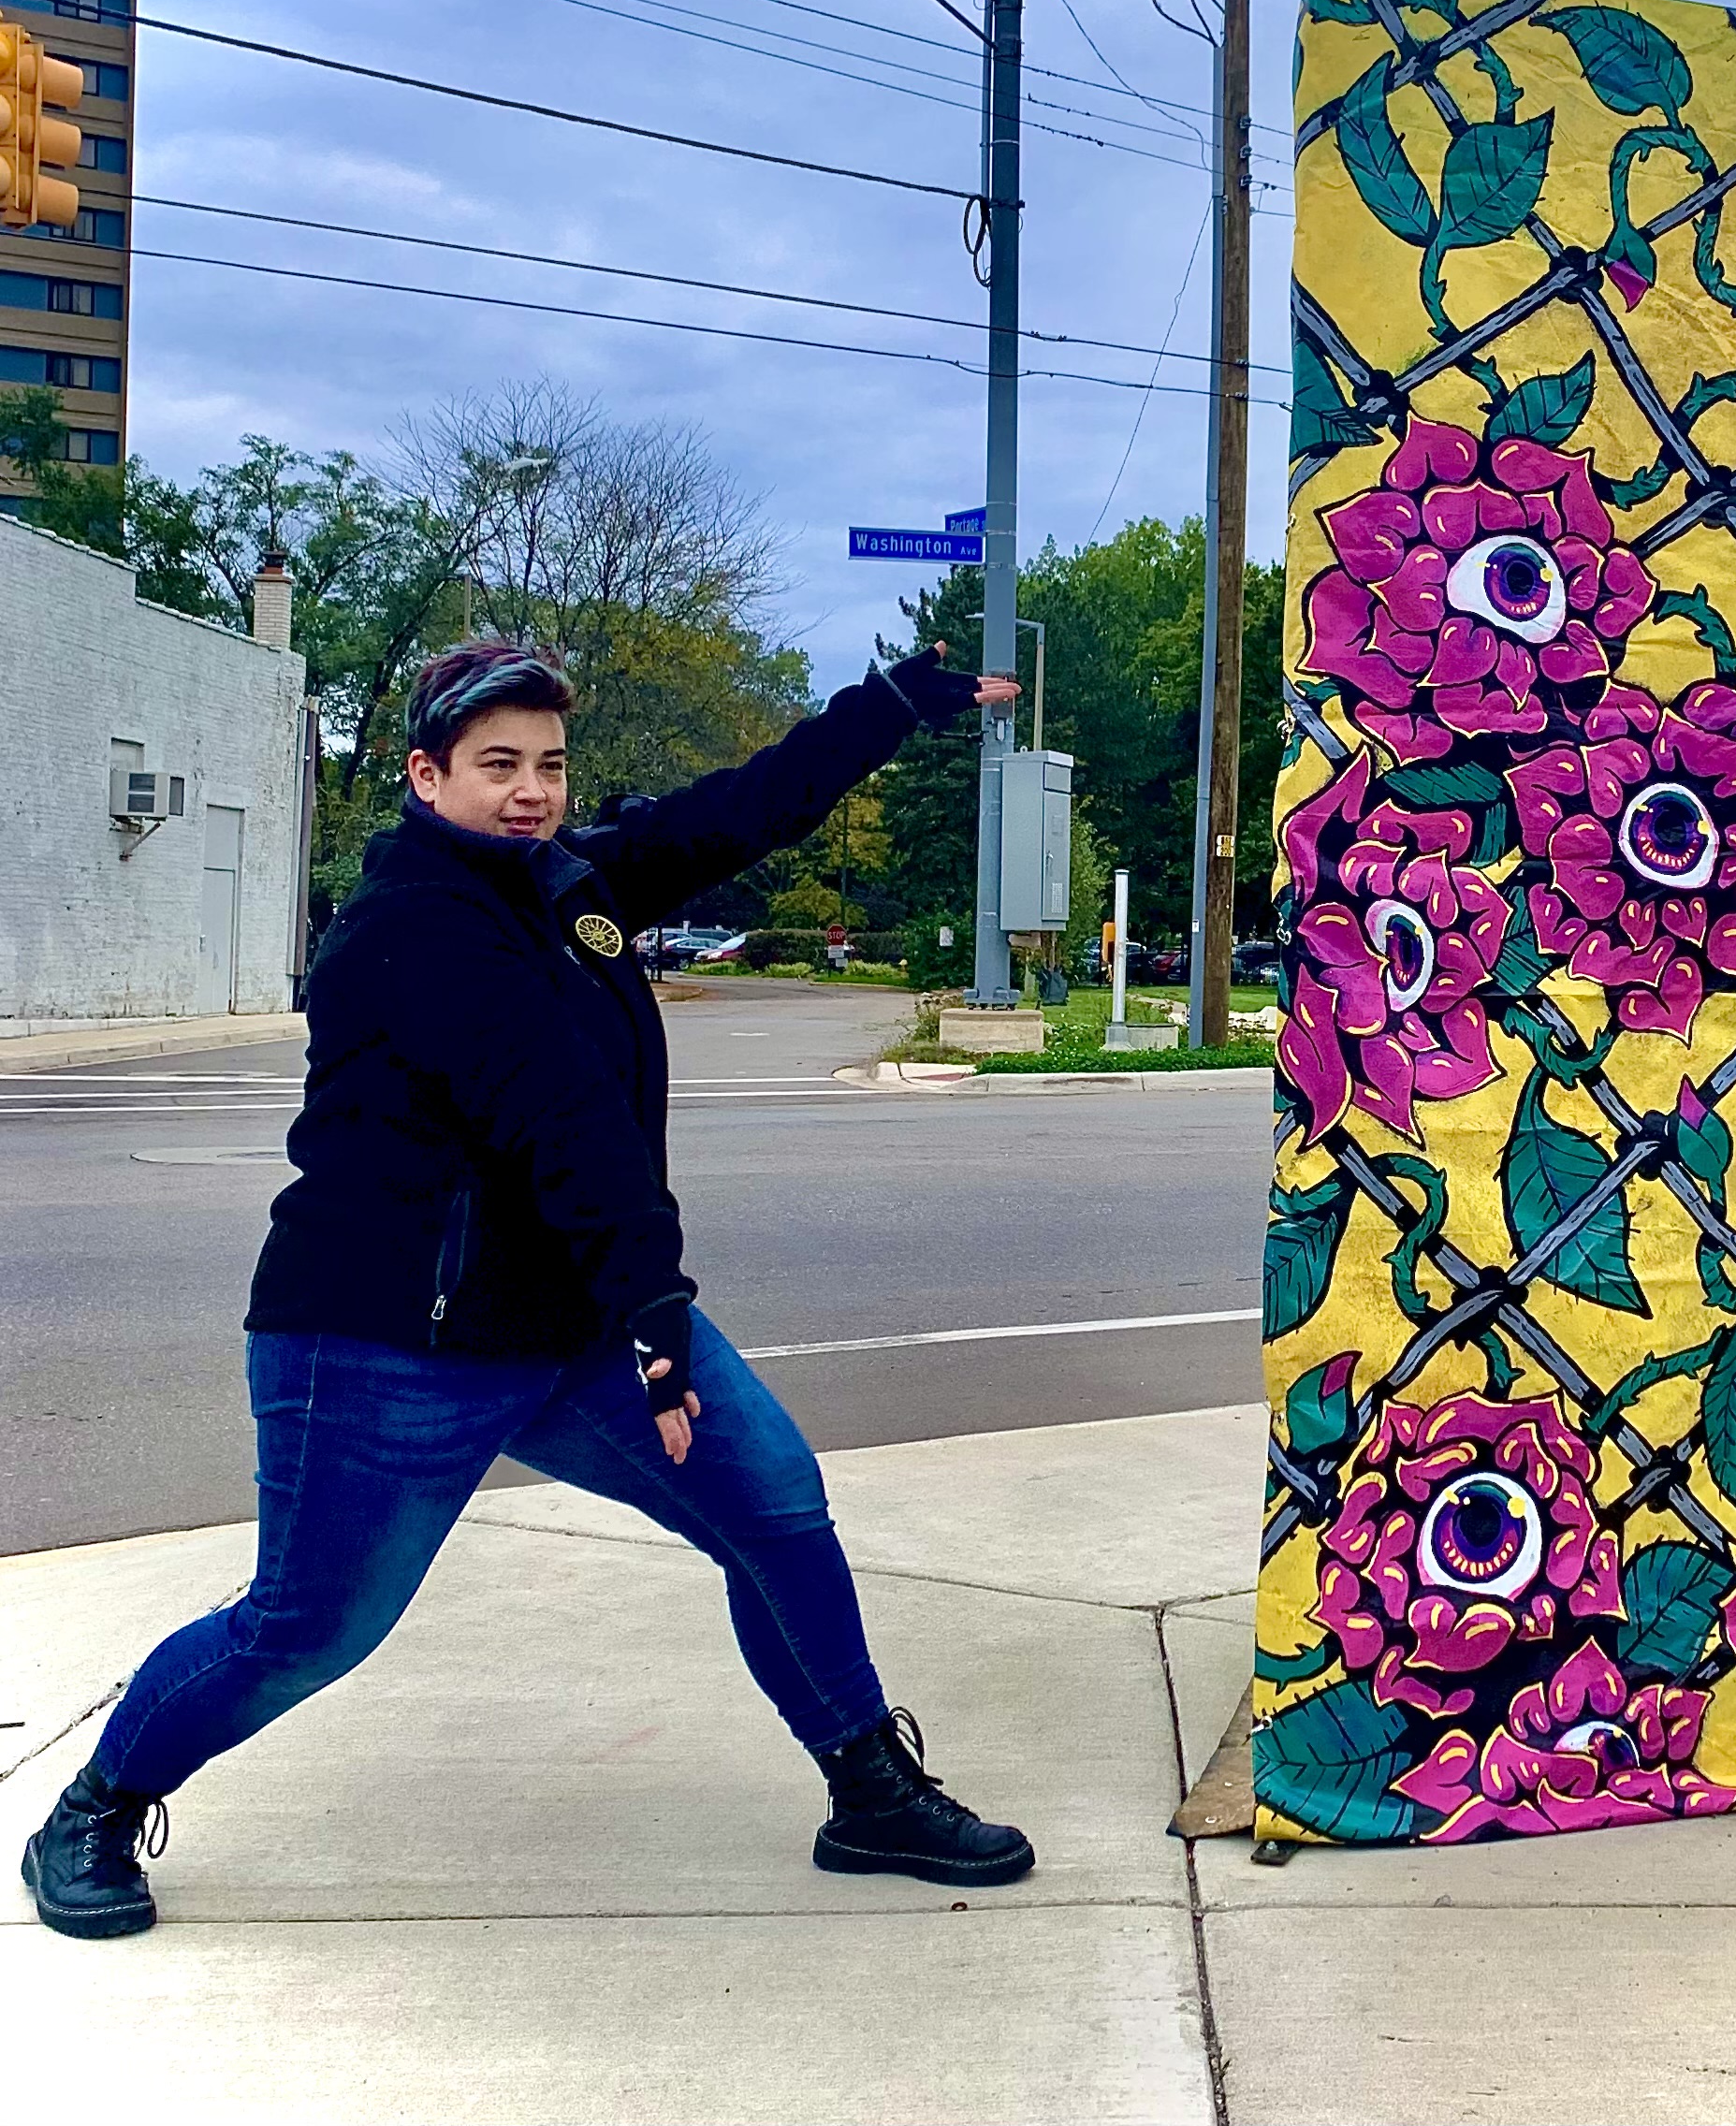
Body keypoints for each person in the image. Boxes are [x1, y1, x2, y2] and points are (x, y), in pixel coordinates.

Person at [22, 636, 1028, 1941]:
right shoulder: (409, 929)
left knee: (775, 1506)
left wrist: (883, 710)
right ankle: (92, 1809)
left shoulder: (563, 883)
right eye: (497, 764)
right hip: (390, 1345)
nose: (531, 789)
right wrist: (662, 1316)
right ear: (424, 774)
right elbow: (557, 1120)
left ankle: (868, 1786)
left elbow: (732, 812)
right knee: (308, 1627)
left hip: (567, 1326)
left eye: (548, 763)